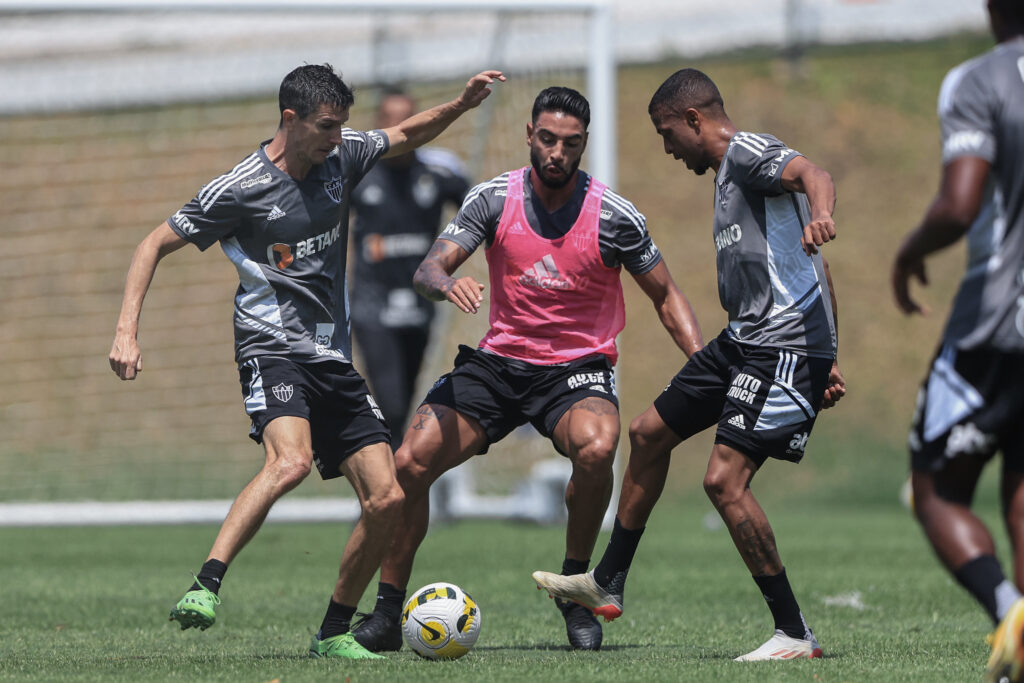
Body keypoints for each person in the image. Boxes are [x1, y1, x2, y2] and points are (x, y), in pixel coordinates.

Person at [108, 63, 504, 660]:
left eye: (342, 126)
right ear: (289, 119)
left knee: (388, 498)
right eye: (326, 126)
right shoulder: (240, 188)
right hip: (271, 347)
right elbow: (152, 244)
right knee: (290, 462)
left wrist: (461, 104)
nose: (337, 138)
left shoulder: (340, 158)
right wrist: (126, 332)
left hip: (331, 357)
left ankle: (333, 631)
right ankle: (206, 584)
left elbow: (408, 135)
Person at [349, 86, 704, 653]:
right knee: (409, 463)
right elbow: (429, 269)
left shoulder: (614, 215)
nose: (556, 152)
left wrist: (704, 366)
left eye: (569, 143)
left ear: (583, 145)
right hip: (498, 365)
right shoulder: (493, 199)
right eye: (546, 139)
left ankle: (576, 588)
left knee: (596, 447)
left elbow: (667, 296)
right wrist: (445, 282)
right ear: (530, 136)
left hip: (574, 370)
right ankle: (389, 612)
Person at [533, 68, 846, 661]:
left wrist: (821, 214)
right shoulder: (729, 177)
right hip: (745, 341)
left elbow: (814, 174)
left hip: (783, 347)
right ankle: (609, 580)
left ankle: (794, 633)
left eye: (667, 133)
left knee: (723, 481)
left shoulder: (748, 153)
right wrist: (833, 349)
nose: (668, 148)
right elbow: (811, 270)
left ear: (696, 120)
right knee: (648, 434)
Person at [891, 2, 1024, 680]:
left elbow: (960, 203)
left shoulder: (978, 81)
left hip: (998, 324)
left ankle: (1008, 606)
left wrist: (908, 251)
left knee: (934, 488)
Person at [349, 88, 471, 448]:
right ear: (379, 126)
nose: (402, 128)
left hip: (421, 302)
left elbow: (481, 215)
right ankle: (388, 490)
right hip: (372, 305)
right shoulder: (357, 173)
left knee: (405, 400)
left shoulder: (439, 170)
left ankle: (387, 491)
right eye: (392, 120)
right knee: (392, 403)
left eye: (408, 118)